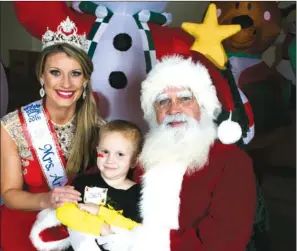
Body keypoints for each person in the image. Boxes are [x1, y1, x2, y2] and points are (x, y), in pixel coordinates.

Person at [99, 52, 257, 251]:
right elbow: (100, 181)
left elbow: (225, 240)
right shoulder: (139, 154)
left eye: (184, 99)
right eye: (163, 101)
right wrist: (66, 195)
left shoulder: (232, 161)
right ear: (153, 112)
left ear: (203, 106)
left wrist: (139, 242)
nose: (173, 110)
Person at [0, 17, 104, 251]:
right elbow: (9, 193)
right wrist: (47, 199)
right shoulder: (12, 126)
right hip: (28, 222)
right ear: (42, 76)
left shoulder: (100, 128)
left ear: (85, 80)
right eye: (55, 72)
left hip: (80, 227)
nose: (66, 83)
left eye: (75, 73)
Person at [29, 120, 143, 251]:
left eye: (120, 154)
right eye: (105, 152)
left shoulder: (139, 195)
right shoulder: (83, 182)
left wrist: (100, 213)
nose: (110, 160)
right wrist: (99, 226)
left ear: (134, 160)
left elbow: (133, 229)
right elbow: (64, 211)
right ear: (97, 151)